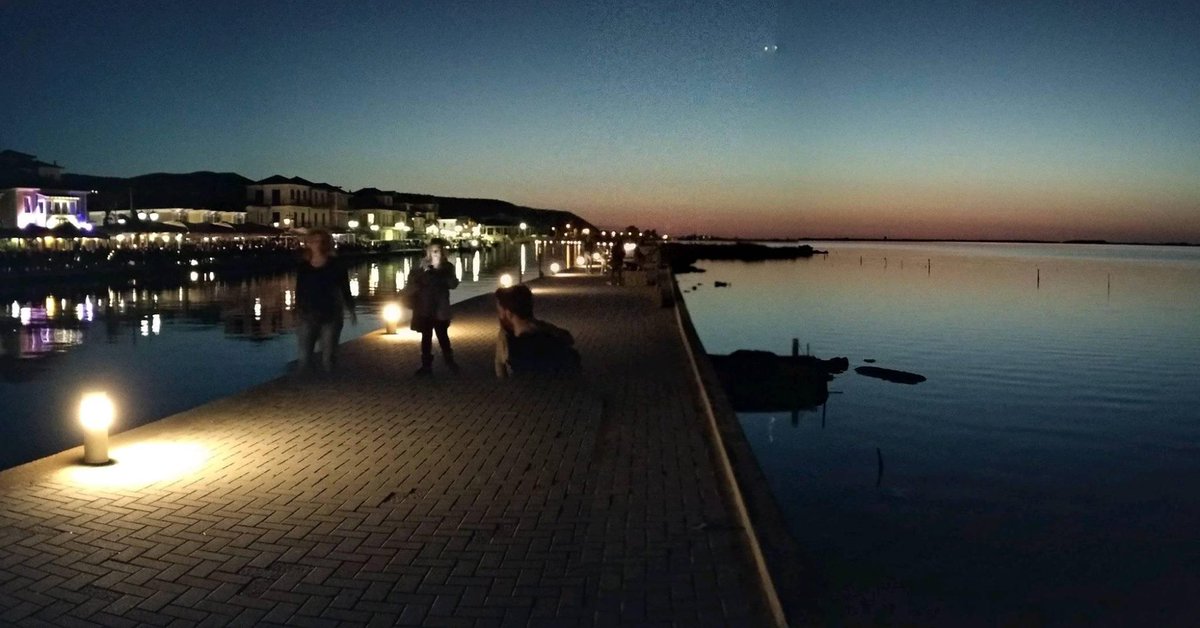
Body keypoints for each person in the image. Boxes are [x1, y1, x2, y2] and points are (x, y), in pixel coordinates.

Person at [295, 228, 356, 373]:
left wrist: (351, 309)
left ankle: (328, 387)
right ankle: (304, 386)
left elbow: (345, 288)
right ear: (309, 244)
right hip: (307, 314)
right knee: (304, 355)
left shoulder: (336, 265)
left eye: (321, 242)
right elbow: (299, 290)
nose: (317, 245)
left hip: (331, 313)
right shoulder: (304, 266)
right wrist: (297, 309)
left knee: (328, 355)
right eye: (314, 241)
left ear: (326, 244)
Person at [494, 284, 580, 378]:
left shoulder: (520, 349)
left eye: (500, 312)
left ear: (509, 314)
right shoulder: (550, 332)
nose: (499, 316)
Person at [405, 238, 460, 375]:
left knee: (442, 335)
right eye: (434, 251)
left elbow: (453, 284)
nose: (437, 254)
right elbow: (413, 281)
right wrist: (422, 275)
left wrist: (440, 276)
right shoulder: (422, 266)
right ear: (428, 252)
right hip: (424, 306)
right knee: (426, 336)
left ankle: (449, 360)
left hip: (440, 307)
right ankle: (426, 365)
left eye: (439, 251)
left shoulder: (447, 267)